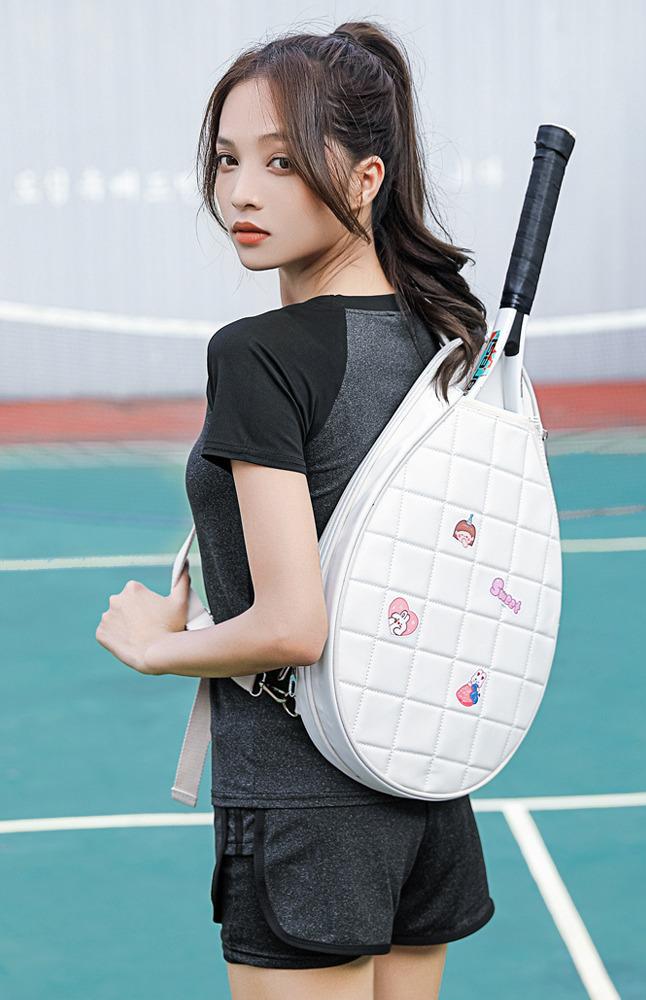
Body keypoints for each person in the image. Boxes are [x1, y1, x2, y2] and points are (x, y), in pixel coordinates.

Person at [103, 18, 495, 1000]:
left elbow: (292, 626)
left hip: (303, 806)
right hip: (425, 786)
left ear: (364, 179)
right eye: (228, 159)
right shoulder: (446, 340)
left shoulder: (259, 355)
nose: (241, 191)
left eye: (281, 161)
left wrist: (158, 645)